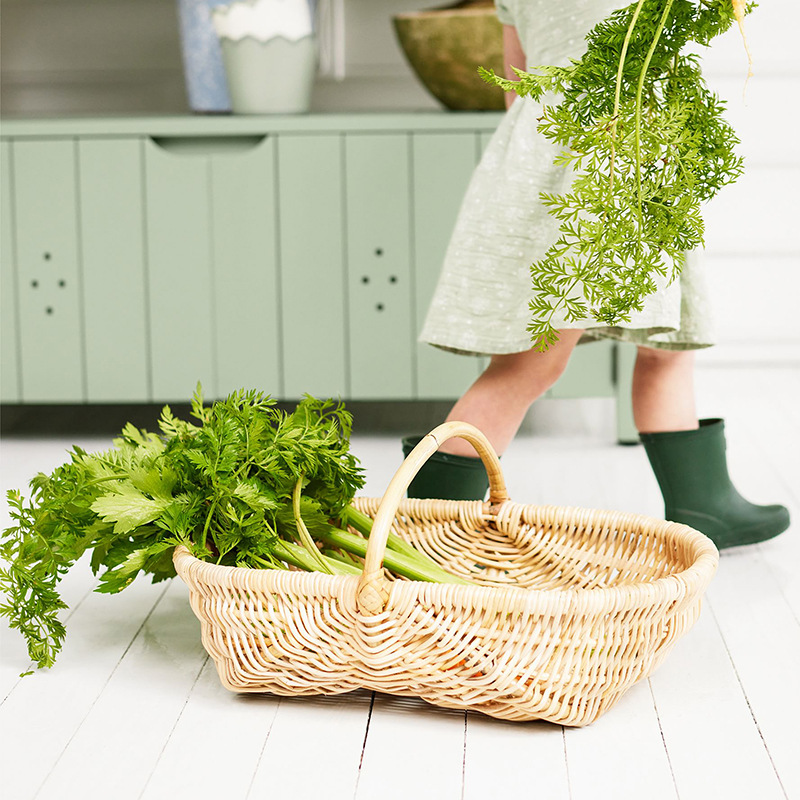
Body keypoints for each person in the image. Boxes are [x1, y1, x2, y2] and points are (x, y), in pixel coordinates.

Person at [403, 0, 790, 550]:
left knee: (664, 344)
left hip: (551, 151)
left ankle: (704, 503)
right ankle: (429, 521)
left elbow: (517, 84)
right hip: (617, 150)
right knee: (532, 363)